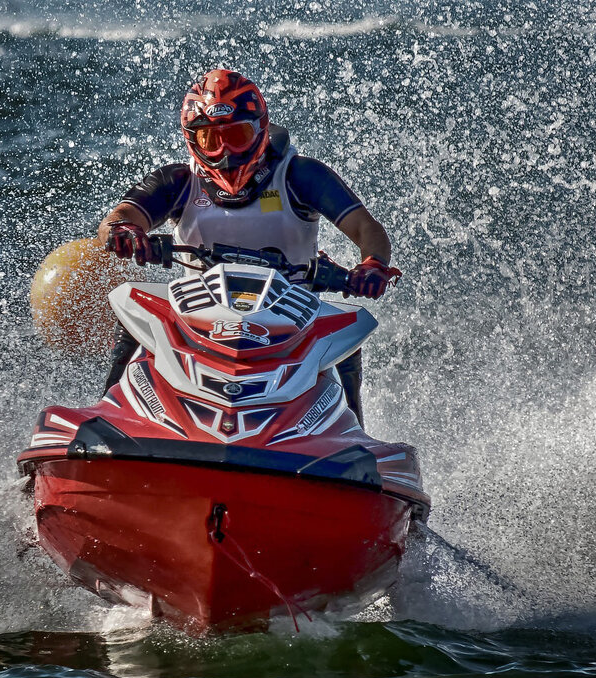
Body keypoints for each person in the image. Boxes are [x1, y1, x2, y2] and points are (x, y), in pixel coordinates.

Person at [97, 69, 400, 424]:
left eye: (237, 137)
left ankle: (354, 436)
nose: (225, 153)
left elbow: (368, 230)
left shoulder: (300, 176)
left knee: (344, 327)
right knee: (134, 309)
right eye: (211, 140)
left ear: (259, 130)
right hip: (195, 318)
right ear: (193, 140)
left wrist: (373, 264)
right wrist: (125, 231)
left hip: (291, 320)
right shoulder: (178, 181)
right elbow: (117, 218)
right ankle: (105, 416)